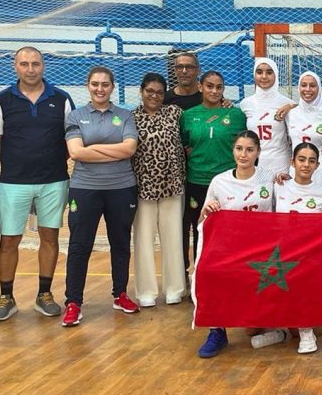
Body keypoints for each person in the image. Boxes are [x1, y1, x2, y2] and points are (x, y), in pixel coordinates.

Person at [0, 46, 74, 322]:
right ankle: (6, 296)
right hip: (13, 183)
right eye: (24, 64)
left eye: (35, 63)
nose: (30, 69)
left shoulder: (62, 99)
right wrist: (16, 163)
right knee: (9, 239)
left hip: (54, 180)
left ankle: (44, 294)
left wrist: (47, 162)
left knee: (49, 237)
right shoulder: (2, 100)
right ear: (16, 67)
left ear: (43, 66)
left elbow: (71, 141)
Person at [62, 66, 139, 327]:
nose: (100, 88)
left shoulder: (126, 115)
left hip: (122, 187)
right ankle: (73, 302)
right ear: (88, 85)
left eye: (105, 84)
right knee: (79, 245)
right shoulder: (76, 116)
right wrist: (109, 151)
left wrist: (92, 147)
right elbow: (75, 153)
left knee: (120, 243)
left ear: (112, 87)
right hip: (85, 189)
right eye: (95, 84)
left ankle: (120, 294)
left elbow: (129, 149)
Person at [197, 130, 277, 358]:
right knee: (209, 272)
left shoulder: (269, 178)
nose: (243, 154)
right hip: (231, 250)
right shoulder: (219, 182)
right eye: (239, 149)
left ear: (258, 152)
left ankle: (274, 320)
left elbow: (281, 215)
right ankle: (217, 330)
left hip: (262, 249)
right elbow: (202, 222)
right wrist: (206, 211)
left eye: (249, 149)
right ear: (233, 150)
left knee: (253, 329)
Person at [179, 71, 247, 277]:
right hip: (197, 181)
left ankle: (229, 275)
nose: (214, 91)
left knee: (227, 231)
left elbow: (245, 145)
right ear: (200, 87)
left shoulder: (235, 115)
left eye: (219, 87)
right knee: (198, 230)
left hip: (227, 184)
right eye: (209, 86)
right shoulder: (188, 116)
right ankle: (199, 276)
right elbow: (183, 144)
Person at [131, 73, 187, 308]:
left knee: (173, 237)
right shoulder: (131, 117)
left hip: (173, 186)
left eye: (159, 92)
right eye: (149, 91)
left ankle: (175, 288)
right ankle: (145, 291)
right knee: (143, 239)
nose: (154, 96)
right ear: (142, 91)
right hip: (142, 188)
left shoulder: (175, 113)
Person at [275, 142, 322, 354]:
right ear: (292, 162)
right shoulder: (279, 186)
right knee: (250, 331)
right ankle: (278, 329)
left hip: (310, 256)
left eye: (311, 161)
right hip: (281, 252)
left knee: (302, 272)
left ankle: (307, 330)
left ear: (317, 165)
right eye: (301, 159)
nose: (306, 165)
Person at [239, 57, 293, 178]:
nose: (264, 76)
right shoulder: (245, 104)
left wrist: (293, 106)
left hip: (281, 162)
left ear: (276, 74)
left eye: (269, 72)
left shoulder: (287, 103)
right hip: (255, 162)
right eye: (259, 72)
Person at [286, 71, 322, 184]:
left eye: (312, 85)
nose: (308, 89)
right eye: (304, 85)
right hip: (297, 171)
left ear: (319, 88)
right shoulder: (290, 114)